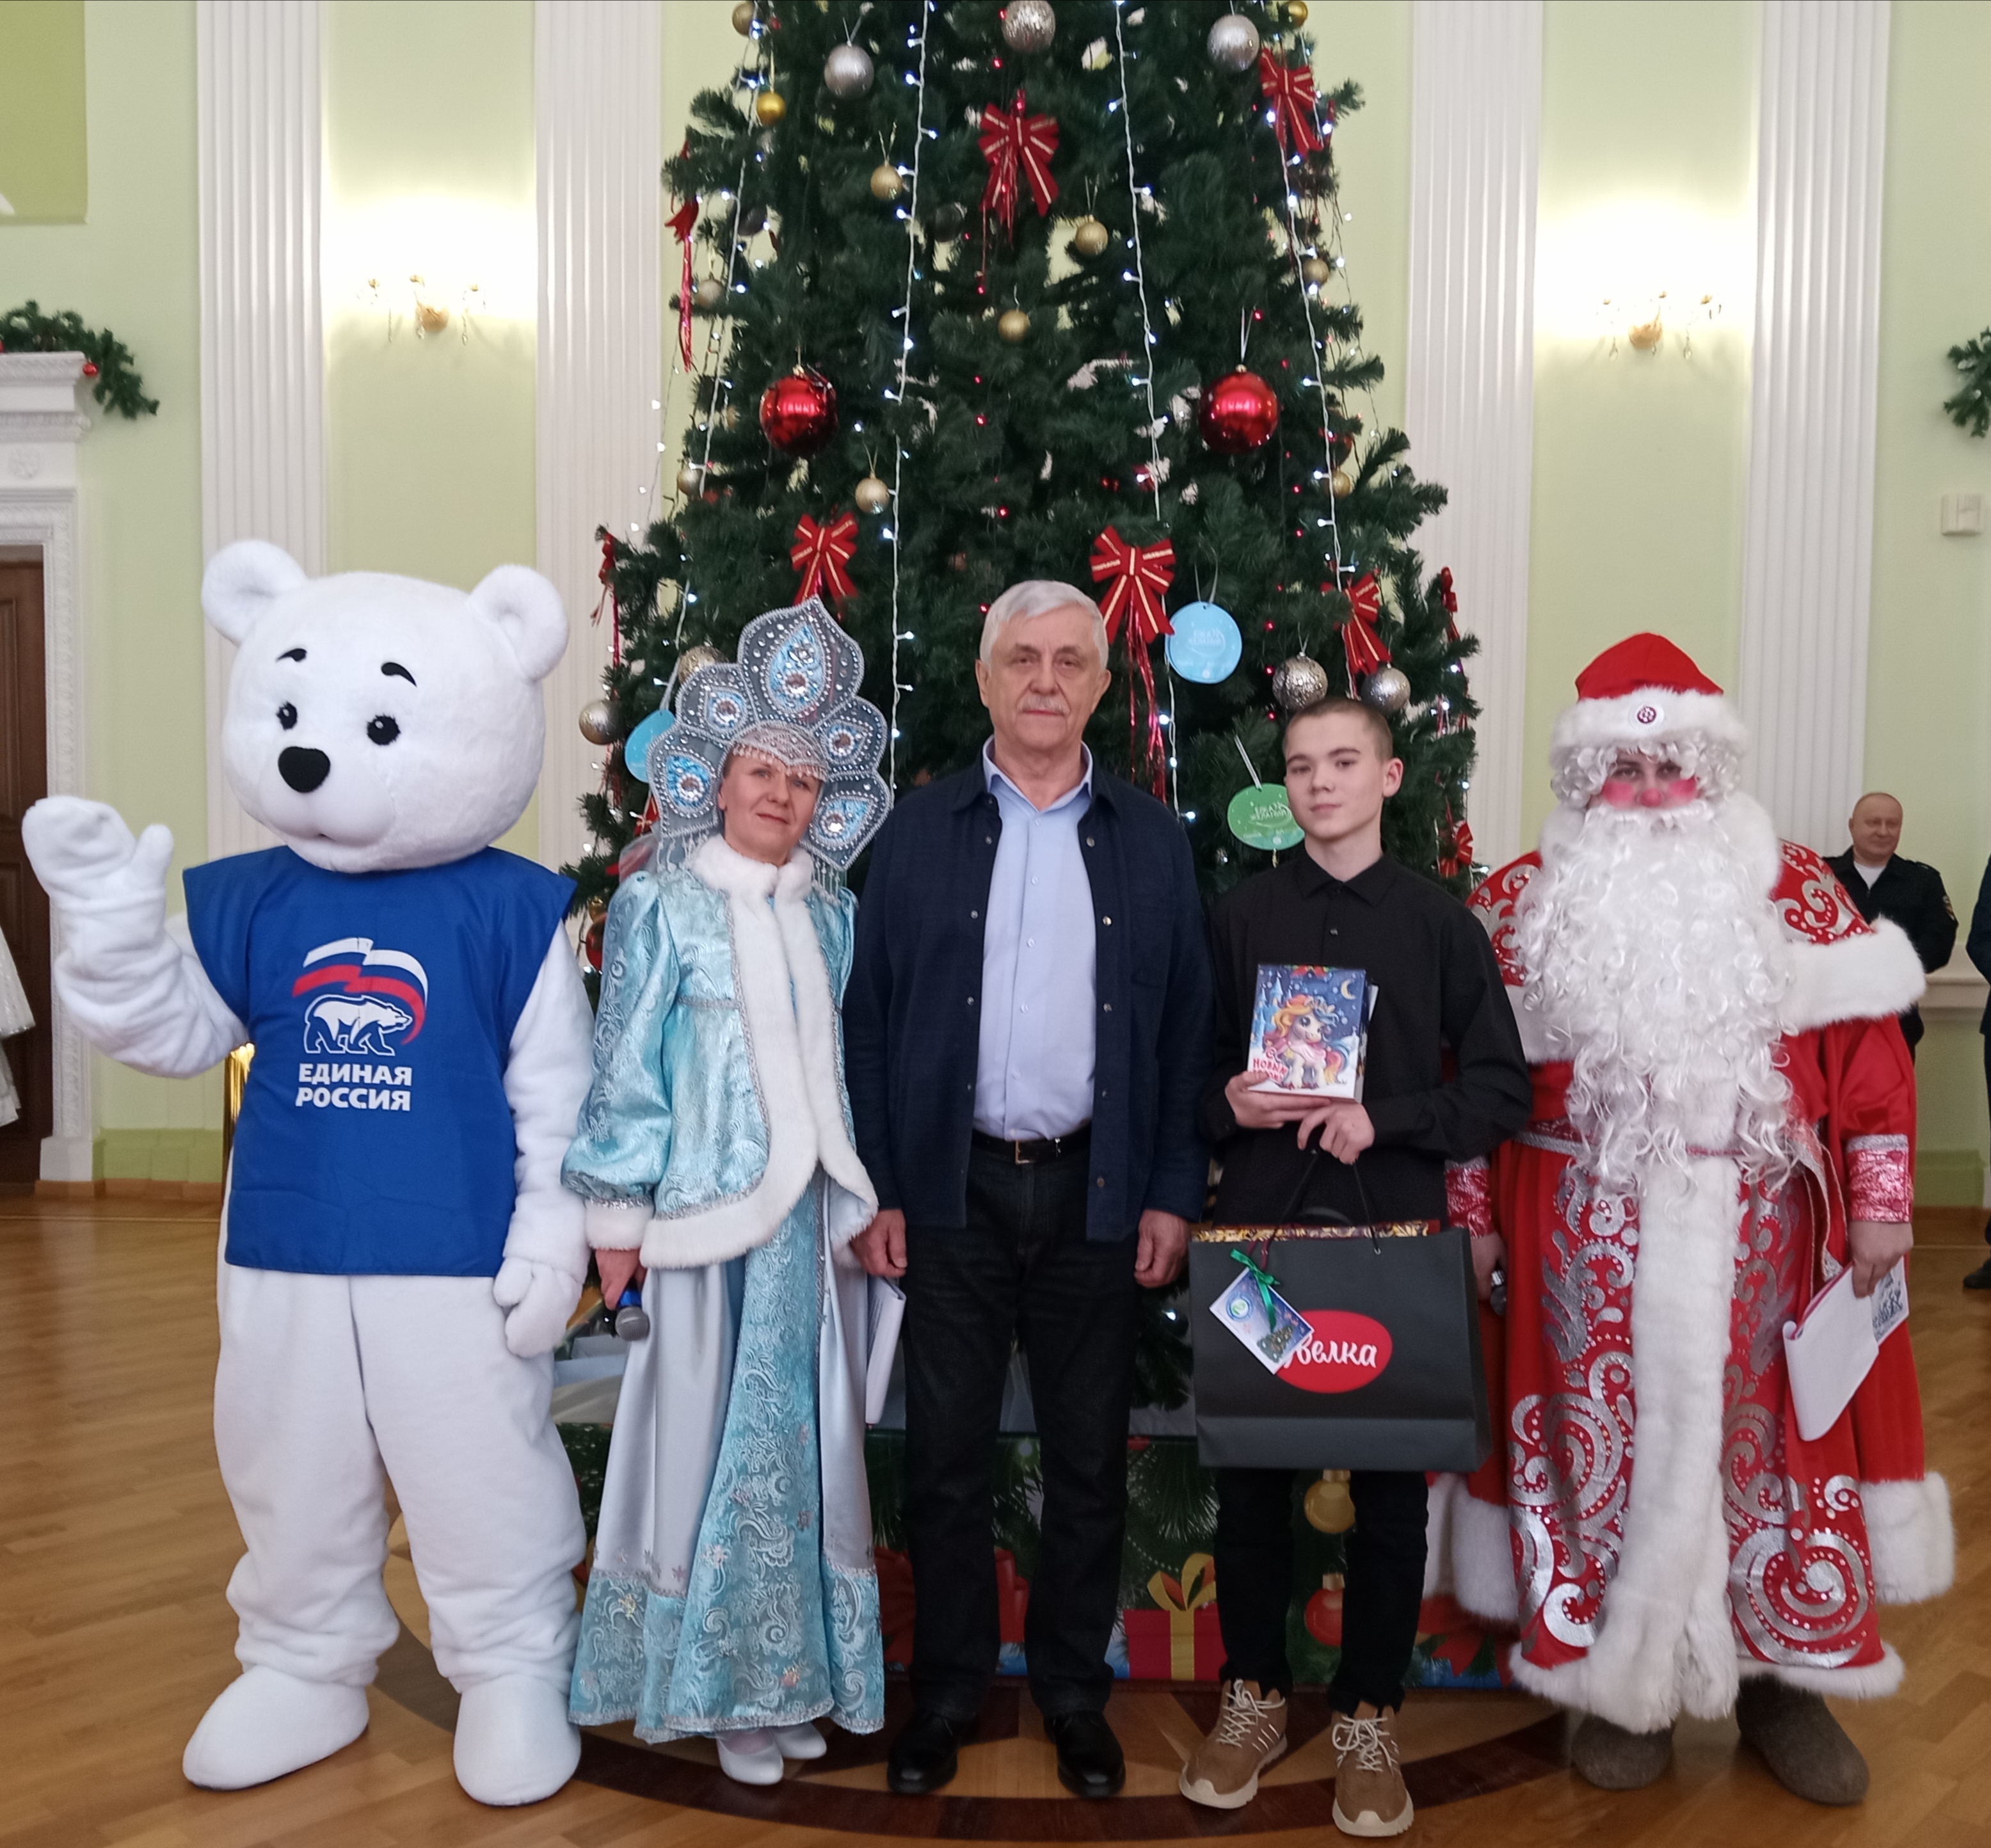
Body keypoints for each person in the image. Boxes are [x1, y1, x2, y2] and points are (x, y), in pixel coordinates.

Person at [1441, 634, 1952, 1806]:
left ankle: (1784, 1683)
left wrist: (1880, 1206)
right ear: (1586, 779)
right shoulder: (1518, 902)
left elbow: (1872, 1064)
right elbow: (1462, 1077)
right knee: (1592, 1447)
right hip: (1575, 1239)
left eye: (1673, 765)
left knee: (1774, 1447)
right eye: (1624, 769)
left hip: (1764, 1236)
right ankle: (1626, 1686)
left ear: (1711, 771)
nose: (1651, 789)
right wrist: (1471, 1213)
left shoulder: (1799, 893)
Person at [843, 580, 1212, 1801]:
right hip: (949, 1192)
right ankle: (949, 1688)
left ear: (1102, 685)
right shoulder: (917, 831)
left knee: (1087, 1459)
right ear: (985, 678)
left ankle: (1071, 1690)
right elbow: (868, 1022)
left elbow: (1186, 1032)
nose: (1045, 679)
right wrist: (881, 1185)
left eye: (1069, 660)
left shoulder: (1152, 840)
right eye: (1022, 658)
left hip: (1096, 1192)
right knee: (944, 1456)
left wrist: (1170, 1190)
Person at [1179, 699, 1530, 1836]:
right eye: (1299, 767)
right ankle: (1252, 1694)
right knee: (1251, 1484)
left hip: (1392, 1249)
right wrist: (1226, 1103)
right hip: (1260, 1245)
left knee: (1386, 1498)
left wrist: (1387, 1119)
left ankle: (1368, 1714)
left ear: (1387, 778)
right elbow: (1186, 1077)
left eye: (1342, 761)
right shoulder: (1240, 917)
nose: (1319, 782)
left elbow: (1500, 1088)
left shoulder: (1437, 925)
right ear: (1282, 788)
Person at [562, 600, 893, 1785]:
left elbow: (848, 1067)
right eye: (762, 771)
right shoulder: (661, 903)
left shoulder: (834, 915)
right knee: (708, 1444)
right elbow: (625, 1064)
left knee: (801, 1452)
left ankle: (790, 1673)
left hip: (806, 1227)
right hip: (702, 1224)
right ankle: (716, 1689)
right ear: (718, 777)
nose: (781, 796)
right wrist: (616, 1218)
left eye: (803, 781)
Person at [1825, 792, 1956, 1055]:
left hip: (1896, 1020)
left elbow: (1939, 945)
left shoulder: (1923, 881)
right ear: (1852, 826)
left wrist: (1890, 969)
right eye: (1873, 822)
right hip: (1830, 1019)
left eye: (1892, 824)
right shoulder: (1822, 876)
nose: (1883, 831)